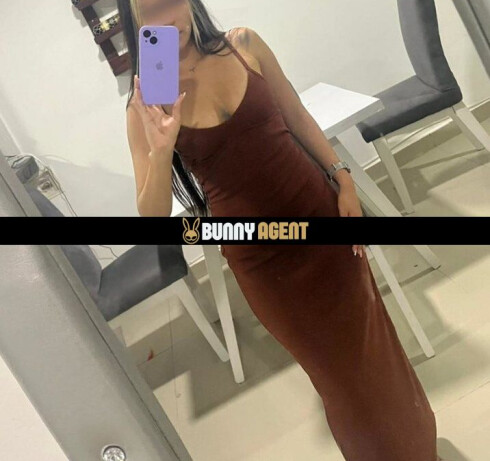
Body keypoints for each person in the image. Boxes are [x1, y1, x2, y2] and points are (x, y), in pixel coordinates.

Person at [120, 1, 443, 459]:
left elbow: (297, 116)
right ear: (136, 23)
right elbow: (152, 218)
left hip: (319, 215)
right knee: (338, 380)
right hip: (261, 261)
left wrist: (344, 178)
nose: (168, 19)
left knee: (375, 347)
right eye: (151, 11)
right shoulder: (145, 105)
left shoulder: (244, 44)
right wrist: (161, 150)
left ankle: (420, 447)